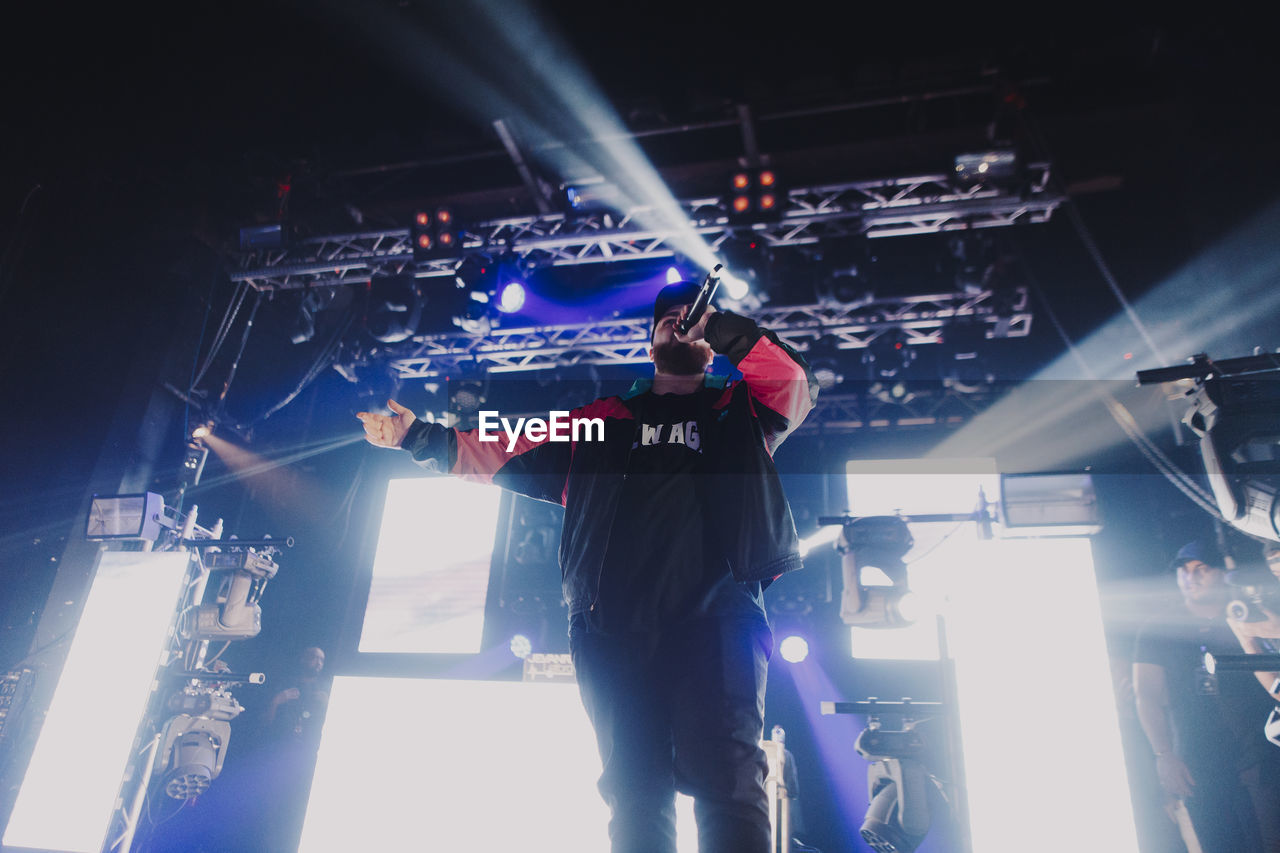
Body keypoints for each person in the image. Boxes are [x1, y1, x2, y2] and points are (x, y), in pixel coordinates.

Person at [358, 281, 817, 853]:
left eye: (693, 317)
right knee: (633, 789)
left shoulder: (739, 413)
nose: (683, 323)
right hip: (612, 628)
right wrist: (416, 438)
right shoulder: (601, 422)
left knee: (727, 778)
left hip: (718, 622)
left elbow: (794, 383)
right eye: (669, 319)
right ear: (649, 344)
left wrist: (723, 328)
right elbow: (502, 449)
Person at [1132, 541, 1280, 852]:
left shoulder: (1247, 614)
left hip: (1261, 754)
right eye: (1184, 571)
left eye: (1201, 569)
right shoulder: (1158, 628)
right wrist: (1163, 755)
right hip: (1198, 763)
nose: (1191, 578)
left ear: (1222, 573)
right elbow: (1145, 694)